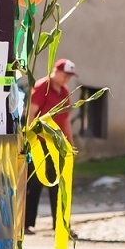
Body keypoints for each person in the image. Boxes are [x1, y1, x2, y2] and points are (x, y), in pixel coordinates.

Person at [24, 58, 77, 234]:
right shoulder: (42, 87)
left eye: (69, 76)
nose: (66, 79)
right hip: (39, 143)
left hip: (56, 144)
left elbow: (66, 120)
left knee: (59, 184)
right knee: (34, 184)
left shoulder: (64, 91)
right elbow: (31, 113)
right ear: (56, 71)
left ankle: (61, 226)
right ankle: (26, 224)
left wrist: (70, 144)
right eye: (65, 74)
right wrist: (29, 138)